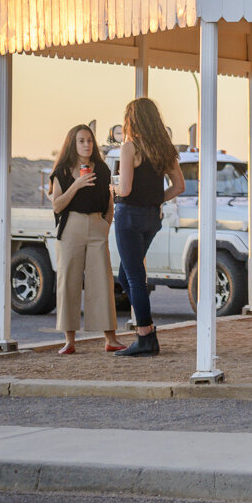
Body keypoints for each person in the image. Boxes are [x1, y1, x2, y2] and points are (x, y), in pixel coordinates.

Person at [111, 97, 186, 357]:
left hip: (129, 216)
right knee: (126, 276)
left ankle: (145, 335)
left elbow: (126, 189)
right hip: (152, 218)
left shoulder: (130, 148)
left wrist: (113, 189)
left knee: (133, 278)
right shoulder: (165, 148)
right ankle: (148, 331)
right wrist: (156, 200)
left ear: (132, 120)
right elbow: (179, 186)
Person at [48, 123, 124, 354]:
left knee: (102, 281)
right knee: (68, 281)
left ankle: (110, 339)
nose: (86, 144)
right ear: (73, 143)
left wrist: (105, 225)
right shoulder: (61, 170)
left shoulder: (101, 169)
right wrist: (77, 185)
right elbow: (57, 205)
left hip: (96, 226)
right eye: (81, 140)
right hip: (71, 226)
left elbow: (109, 202)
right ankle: (69, 341)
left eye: (89, 140)